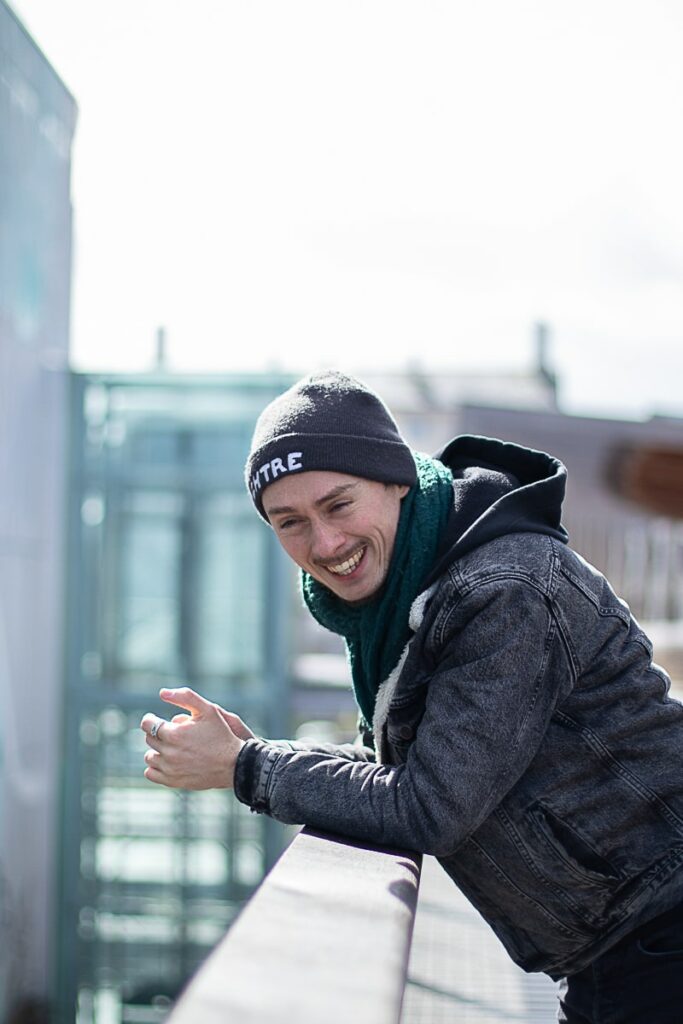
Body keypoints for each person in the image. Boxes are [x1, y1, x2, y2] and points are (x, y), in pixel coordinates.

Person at [141, 370, 683, 1023]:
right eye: (290, 523)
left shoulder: (500, 588)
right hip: (622, 945)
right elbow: (405, 768)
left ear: (397, 480)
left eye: (338, 505)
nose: (325, 544)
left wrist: (245, 768)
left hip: (658, 935)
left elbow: (429, 807)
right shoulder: (407, 595)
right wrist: (252, 753)